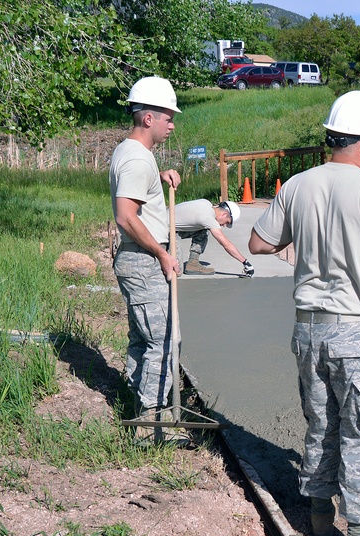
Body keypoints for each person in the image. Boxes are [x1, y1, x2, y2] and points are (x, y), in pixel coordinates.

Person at [248, 90, 360, 536]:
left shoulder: (298, 186)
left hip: (308, 329)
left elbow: (260, 243)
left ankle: (320, 512)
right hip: (357, 332)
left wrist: (304, 240)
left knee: (322, 422)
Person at [110, 76, 185, 443]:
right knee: (164, 340)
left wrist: (159, 175)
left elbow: (136, 184)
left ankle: (136, 401)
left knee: (143, 338)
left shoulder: (133, 154)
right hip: (144, 258)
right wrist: (162, 253)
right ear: (147, 118)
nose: (172, 124)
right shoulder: (138, 159)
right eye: (168, 117)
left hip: (136, 259)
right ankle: (151, 425)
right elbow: (126, 215)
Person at [174, 199, 254, 277]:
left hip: (173, 228)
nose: (224, 225)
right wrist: (245, 262)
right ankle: (165, 249)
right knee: (176, 271)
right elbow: (225, 244)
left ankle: (193, 263)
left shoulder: (205, 203)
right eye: (227, 222)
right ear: (224, 214)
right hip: (165, 232)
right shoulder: (208, 218)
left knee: (204, 230)